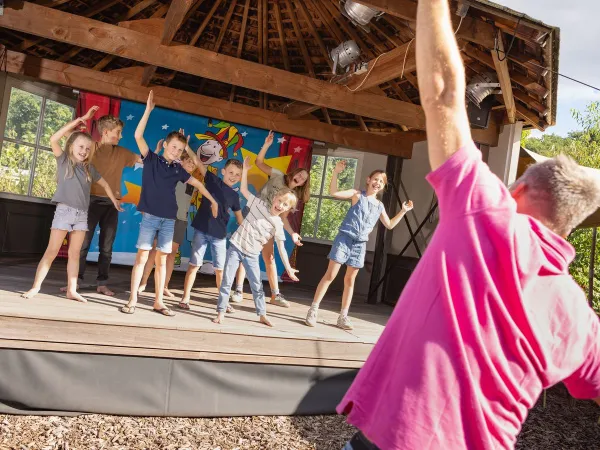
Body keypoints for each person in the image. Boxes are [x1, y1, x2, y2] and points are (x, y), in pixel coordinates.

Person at [338, 1, 600, 449]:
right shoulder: (579, 317)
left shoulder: (486, 214)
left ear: (515, 192)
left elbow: (443, 93)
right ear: (569, 225)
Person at [120, 91, 218, 317]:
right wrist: (148, 111)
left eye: (180, 150)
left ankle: (158, 301)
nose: (176, 152)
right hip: (150, 218)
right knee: (142, 257)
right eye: (174, 147)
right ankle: (133, 299)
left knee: (162, 261)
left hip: (169, 220)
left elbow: (199, 184)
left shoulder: (178, 169)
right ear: (165, 145)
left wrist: (213, 201)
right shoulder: (151, 159)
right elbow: (137, 135)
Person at [22, 112, 122, 301]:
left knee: (75, 254)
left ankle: (72, 290)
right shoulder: (63, 160)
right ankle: (35, 287)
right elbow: (53, 138)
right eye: (80, 146)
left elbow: (105, 184)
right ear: (71, 146)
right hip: (64, 211)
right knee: (51, 252)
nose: (84, 151)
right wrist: (77, 121)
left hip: (82, 215)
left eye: (87, 148)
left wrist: (114, 200)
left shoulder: (88, 168)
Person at [305, 160, 413, 331]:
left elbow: (390, 224)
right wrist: (336, 173)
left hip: (360, 244)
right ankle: (313, 310)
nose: (378, 183)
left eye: (381, 182)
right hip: (345, 238)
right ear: (368, 180)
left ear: (383, 186)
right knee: (331, 275)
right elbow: (333, 192)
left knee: (350, 280)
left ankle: (343, 316)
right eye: (376, 179)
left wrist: (403, 211)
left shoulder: (379, 205)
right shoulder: (357, 195)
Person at [212, 156, 300, 327]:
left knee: (256, 286)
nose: (280, 206)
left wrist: (288, 269)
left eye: (285, 205)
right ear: (274, 199)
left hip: (252, 254)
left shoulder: (278, 224)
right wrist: (245, 171)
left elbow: (281, 248)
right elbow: (244, 190)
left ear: (288, 209)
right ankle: (221, 312)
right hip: (236, 247)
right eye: (279, 201)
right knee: (227, 281)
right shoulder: (258, 204)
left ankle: (262, 314)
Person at [230, 131, 310, 307]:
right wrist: (266, 145)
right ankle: (237, 290)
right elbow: (259, 163)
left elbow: (283, 219)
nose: (300, 178)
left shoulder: (290, 197)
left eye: (303, 179)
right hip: (253, 212)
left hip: (269, 222)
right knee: (245, 248)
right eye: (300, 174)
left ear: (303, 184)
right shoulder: (278, 175)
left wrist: (293, 233)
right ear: (294, 173)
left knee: (270, 257)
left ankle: (275, 294)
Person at [68, 110, 140, 296]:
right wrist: (80, 123)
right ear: (106, 132)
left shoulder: (122, 152)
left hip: (111, 205)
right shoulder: (90, 147)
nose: (121, 135)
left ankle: (102, 283)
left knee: (106, 248)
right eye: (118, 131)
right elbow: (69, 140)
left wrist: (159, 151)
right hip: (89, 202)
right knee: (82, 244)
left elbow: (146, 159)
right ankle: (76, 282)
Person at [178, 150, 244, 311]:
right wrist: (186, 147)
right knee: (194, 265)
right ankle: (185, 298)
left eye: (237, 174)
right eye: (231, 172)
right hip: (201, 230)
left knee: (220, 270)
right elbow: (198, 163)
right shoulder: (213, 180)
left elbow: (240, 217)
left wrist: (247, 232)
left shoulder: (235, 197)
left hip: (219, 236)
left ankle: (223, 301)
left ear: (241, 177)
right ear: (223, 172)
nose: (233, 176)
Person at [138, 144, 197, 298]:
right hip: (164, 216)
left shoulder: (193, 183)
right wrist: (182, 149)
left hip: (181, 221)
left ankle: (164, 285)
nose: (191, 164)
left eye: (193, 163)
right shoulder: (174, 174)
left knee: (171, 253)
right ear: (181, 162)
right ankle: (143, 282)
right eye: (188, 161)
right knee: (153, 251)